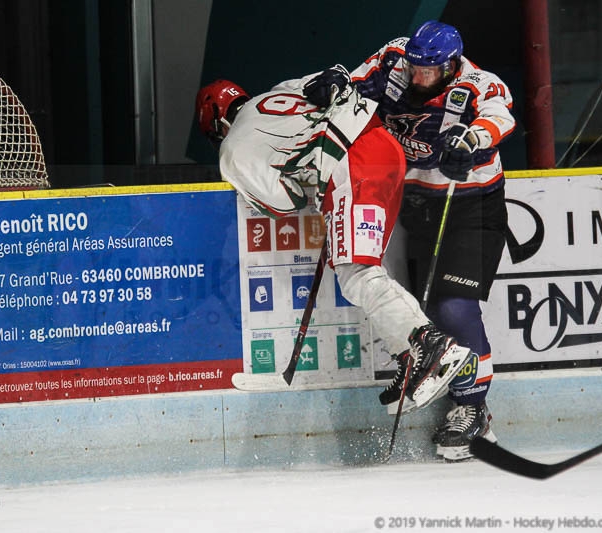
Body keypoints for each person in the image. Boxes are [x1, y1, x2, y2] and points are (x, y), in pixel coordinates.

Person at [195, 72, 475, 416]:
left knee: (357, 274)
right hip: (383, 147)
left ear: (217, 122)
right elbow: (339, 79)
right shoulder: (281, 89)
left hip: (352, 167)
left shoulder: (232, 150)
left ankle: (430, 344)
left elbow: (285, 202)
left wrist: (306, 181)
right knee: (364, 269)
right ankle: (410, 354)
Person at [313, 20, 514, 461]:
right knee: (400, 300)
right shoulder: (395, 58)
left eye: (429, 70)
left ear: (451, 64)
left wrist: (471, 140)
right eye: (415, 67)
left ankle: (472, 408)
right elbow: (355, 84)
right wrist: (332, 81)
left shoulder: (478, 84)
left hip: (469, 208)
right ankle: (416, 367)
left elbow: (500, 118)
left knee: (452, 307)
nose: (418, 76)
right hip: (408, 202)